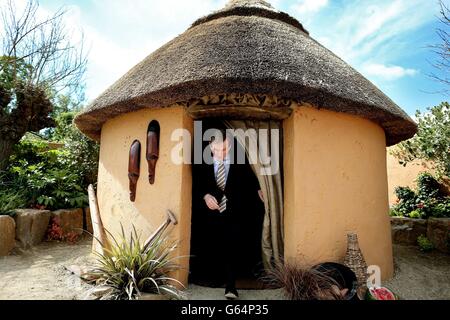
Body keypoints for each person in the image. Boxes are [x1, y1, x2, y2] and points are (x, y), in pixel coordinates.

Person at [194, 127, 264, 300]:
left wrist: (260, 188)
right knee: (214, 245)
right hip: (211, 213)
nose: (221, 153)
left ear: (230, 146)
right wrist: (205, 196)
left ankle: (231, 286)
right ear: (210, 147)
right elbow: (196, 184)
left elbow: (250, 178)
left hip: (236, 211)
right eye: (217, 150)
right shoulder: (202, 163)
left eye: (224, 149)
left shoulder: (241, 161)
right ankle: (215, 277)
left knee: (233, 245)